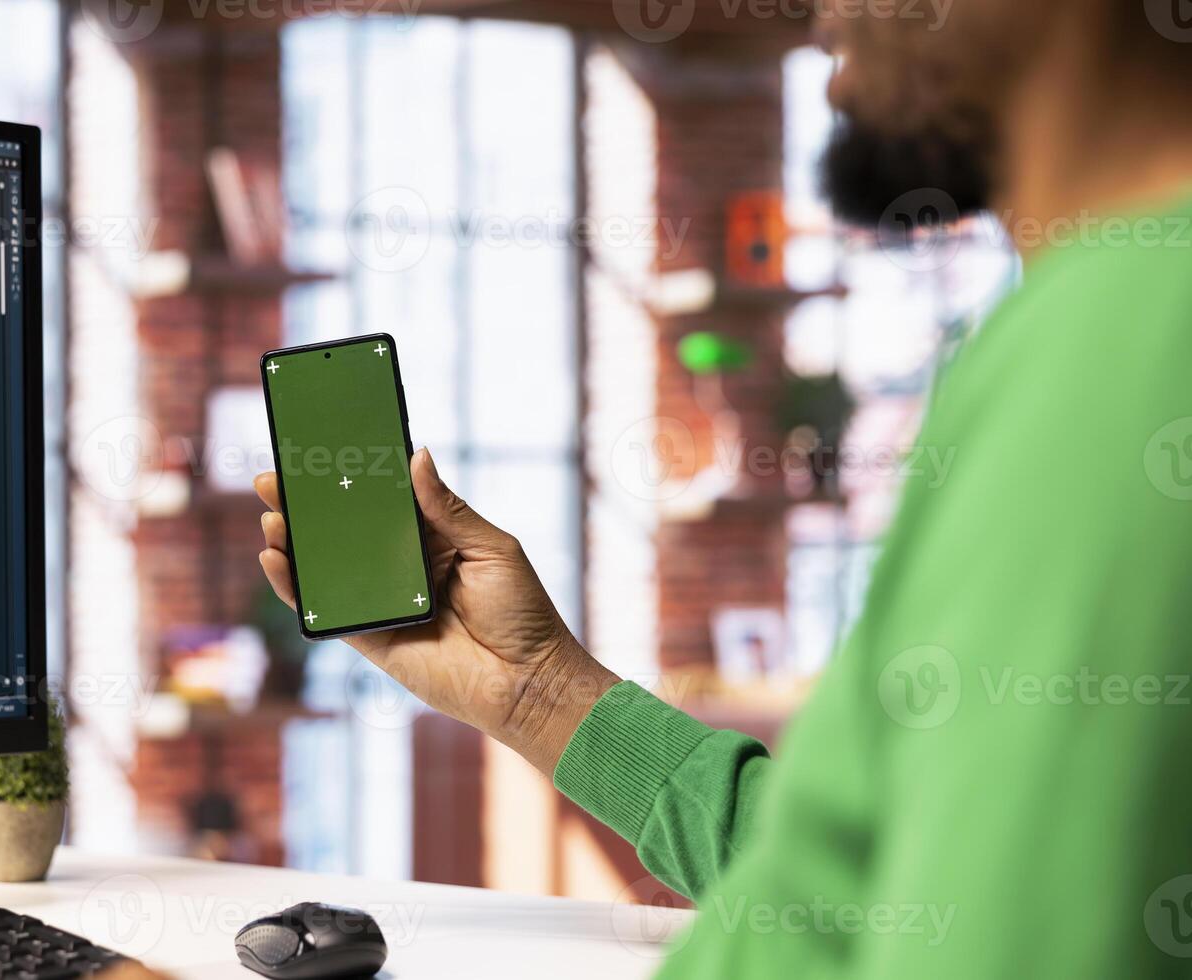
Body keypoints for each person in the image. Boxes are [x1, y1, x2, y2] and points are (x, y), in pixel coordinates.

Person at [255, 0, 1192, 975]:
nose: (822, 11)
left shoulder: (1124, 346)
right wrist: (533, 689)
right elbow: (858, 885)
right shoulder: (1083, 318)